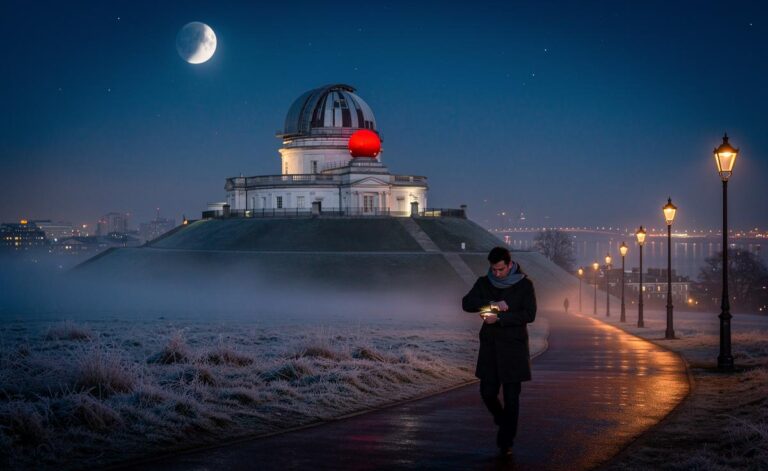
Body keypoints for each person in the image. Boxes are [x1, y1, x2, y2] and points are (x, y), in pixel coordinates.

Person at [462, 246, 537, 456]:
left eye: (501, 269)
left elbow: (529, 314)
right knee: (487, 392)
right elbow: (466, 303)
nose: (497, 273)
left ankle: (506, 442)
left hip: (514, 348)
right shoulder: (484, 282)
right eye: (494, 269)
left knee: (512, 398)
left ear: (509, 264)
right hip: (490, 347)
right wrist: (491, 304)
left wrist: (500, 318)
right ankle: (503, 421)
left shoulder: (525, 285)